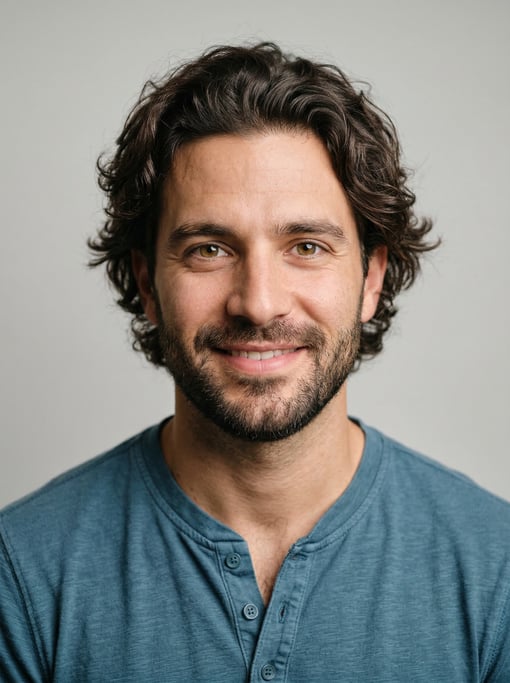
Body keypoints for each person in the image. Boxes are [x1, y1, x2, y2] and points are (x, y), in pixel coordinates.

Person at [1, 42, 509, 683]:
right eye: (209, 248)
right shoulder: (20, 572)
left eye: (306, 245)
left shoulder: (497, 572)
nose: (258, 303)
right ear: (148, 283)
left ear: (372, 278)